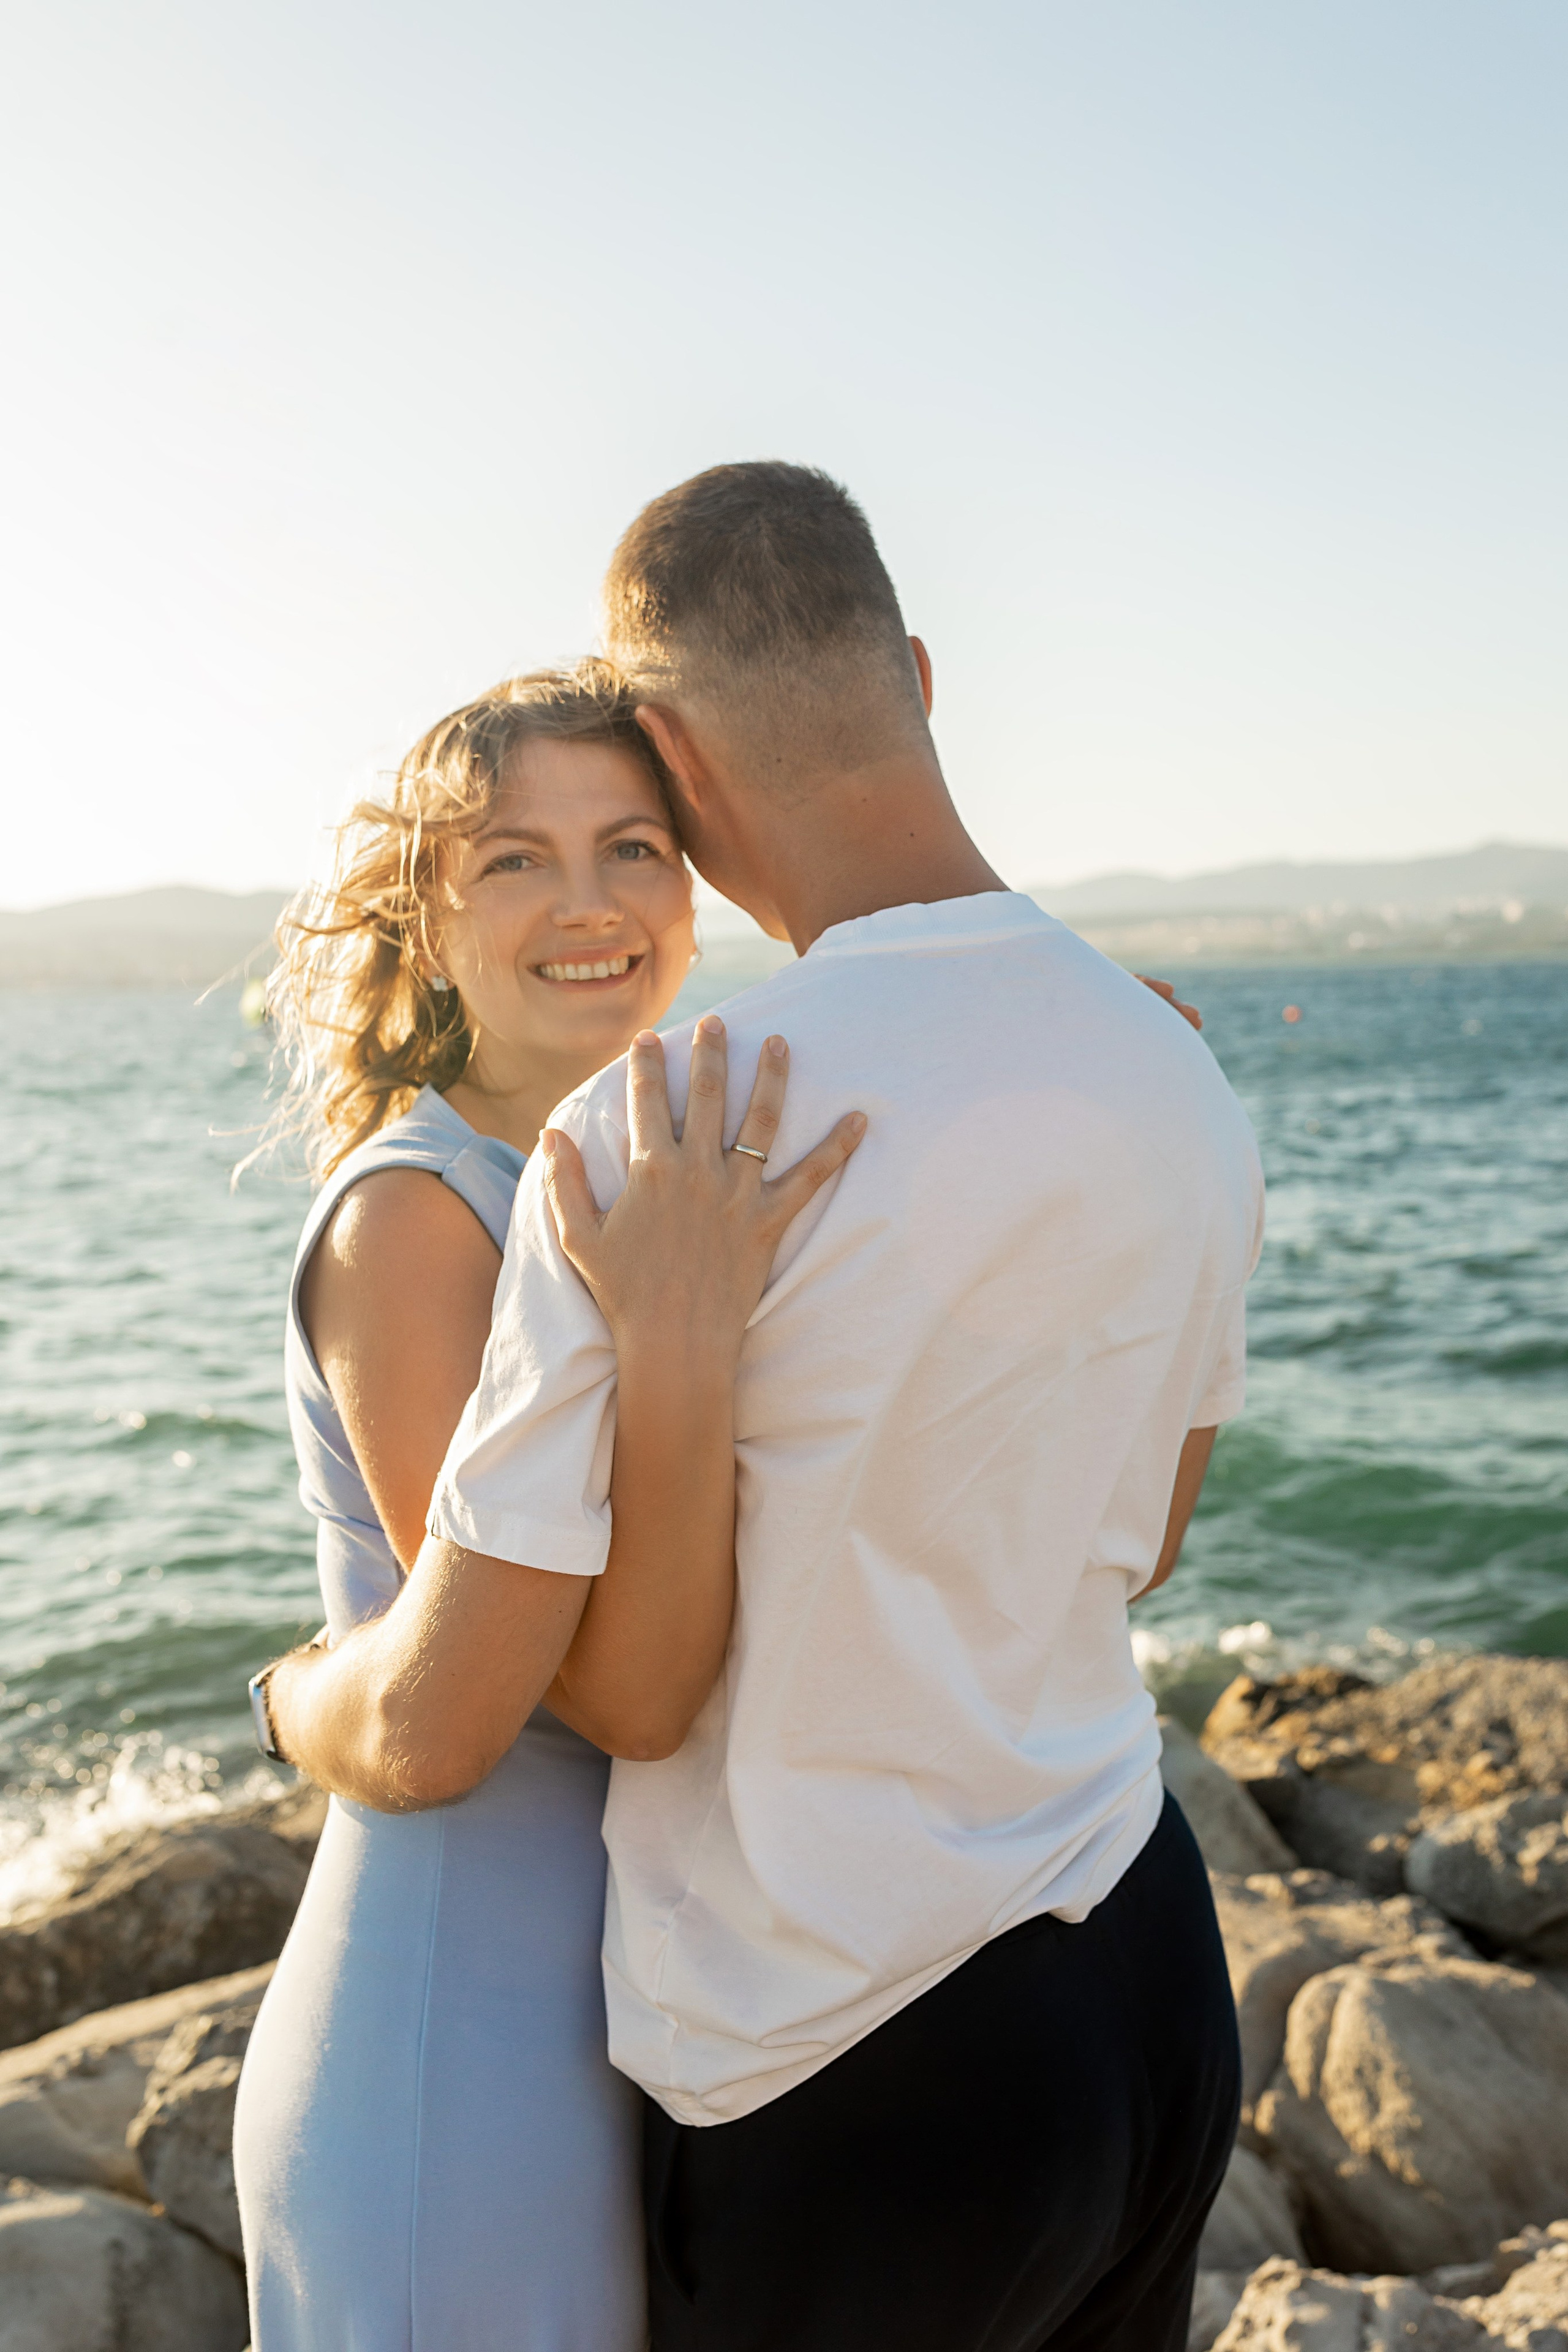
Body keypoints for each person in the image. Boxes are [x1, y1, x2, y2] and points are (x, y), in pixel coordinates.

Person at [418, 464, 1265, 2352]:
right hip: (1141, 1970)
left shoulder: (657, 1130)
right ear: (922, 677)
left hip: (851, 2056)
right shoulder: (1173, 1069)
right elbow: (1148, 1543)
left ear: (663, 748)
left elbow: (620, 1699)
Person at [232, 661, 867, 2351]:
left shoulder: (670, 1164)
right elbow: (614, 1696)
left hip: (664, 2020)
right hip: (462, 2046)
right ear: (424, 923)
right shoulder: (419, 1221)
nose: (585, 906)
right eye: (513, 860)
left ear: (694, 883)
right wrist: (680, 1338)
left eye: (633, 847)